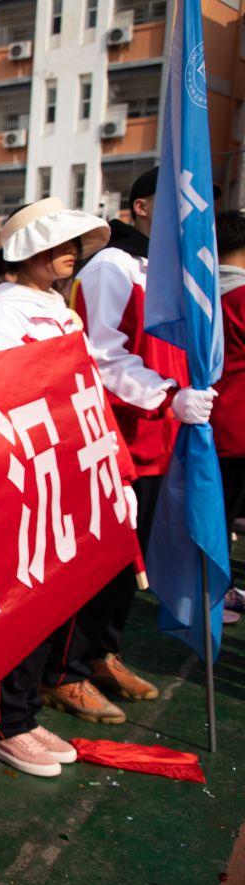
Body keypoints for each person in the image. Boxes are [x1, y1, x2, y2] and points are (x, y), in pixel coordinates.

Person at [0, 197, 120, 777]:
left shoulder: (64, 309)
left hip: (67, 471)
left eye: (72, 245)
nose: (68, 255)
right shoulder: (5, 312)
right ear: (25, 252)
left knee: (53, 599)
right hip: (22, 477)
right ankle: (4, 724)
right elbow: (2, 398)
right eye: (56, 246)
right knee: (22, 602)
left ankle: (26, 712)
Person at [67, 166, 222, 702]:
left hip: (162, 438)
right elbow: (101, 354)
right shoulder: (112, 266)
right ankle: (67, 673)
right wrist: (165, 394)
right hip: (119, 438)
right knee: (101, 562)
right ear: (139, 207)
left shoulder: (174, 270)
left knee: (131, 565)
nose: (192, 210)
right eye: (175, 199)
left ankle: (101, 654)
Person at [214, 209, 245, 619]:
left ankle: (215, 592)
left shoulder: (199, 293)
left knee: (215, 513)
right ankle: (215, 596)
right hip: (237, 423)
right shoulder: (240, 295)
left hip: (210, 419)